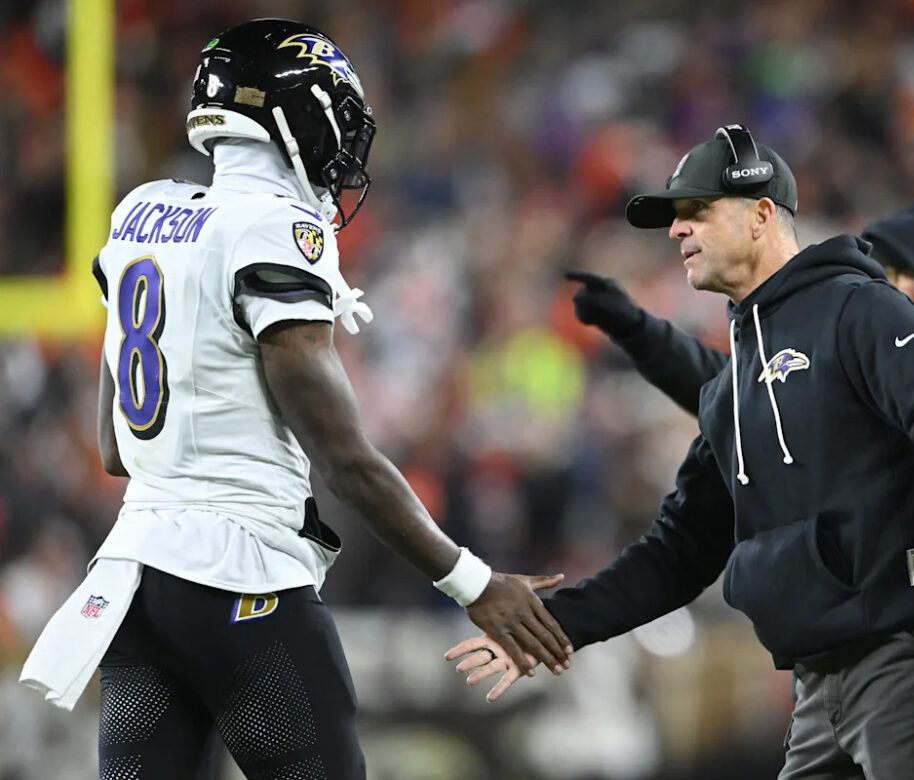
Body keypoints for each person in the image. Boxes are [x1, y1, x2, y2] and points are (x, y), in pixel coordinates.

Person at [20, 19, 571, 780]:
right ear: (294, 119)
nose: (344, 149)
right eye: (336, 121)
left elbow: (116, 449)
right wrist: (473, 582)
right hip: (242, 581)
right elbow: (345, 462)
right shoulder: (275, 228)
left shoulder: (140, 214)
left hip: (135, 581)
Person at [449, 126, 914, 779]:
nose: (676, 230)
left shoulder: (859, 310)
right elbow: (678, 553)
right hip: (817, 688)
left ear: (761, 214)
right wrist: (555, 625)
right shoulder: (731, 389)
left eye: (698, 210)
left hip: (907, 659)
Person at [557, 193, 914, 779]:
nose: (895, 284)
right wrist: (642, 333)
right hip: (844, 667)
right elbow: (752, 406)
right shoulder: (850, 350)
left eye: (909, 272)